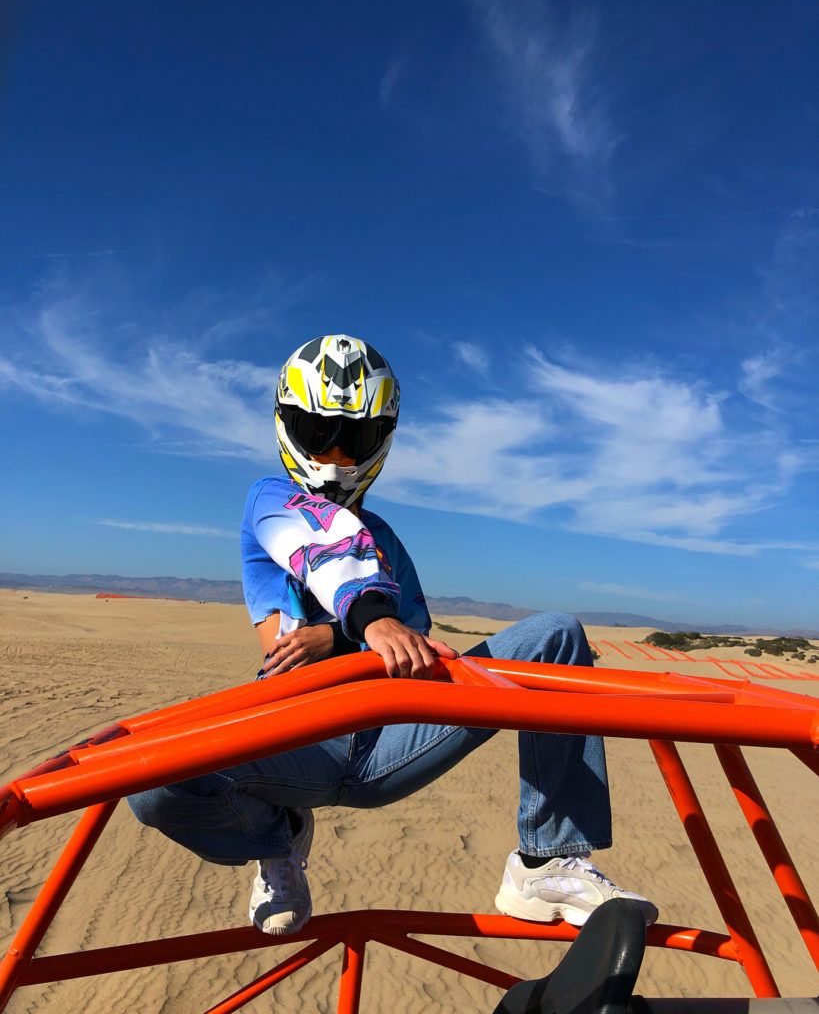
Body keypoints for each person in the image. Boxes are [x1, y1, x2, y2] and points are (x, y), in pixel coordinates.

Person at [129, 335, 658, 934]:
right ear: (286, 426)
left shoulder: (385, 539)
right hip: (299, 735)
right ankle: (278, 836)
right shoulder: (270, 501)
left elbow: (415, 641)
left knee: (555, 635)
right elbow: (320, 546)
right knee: (154, 785)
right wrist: (366, 619)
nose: (334, 458)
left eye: (352, 439)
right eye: (317, 433)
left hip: (391, 736)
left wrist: (340, 639)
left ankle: (545, 862)